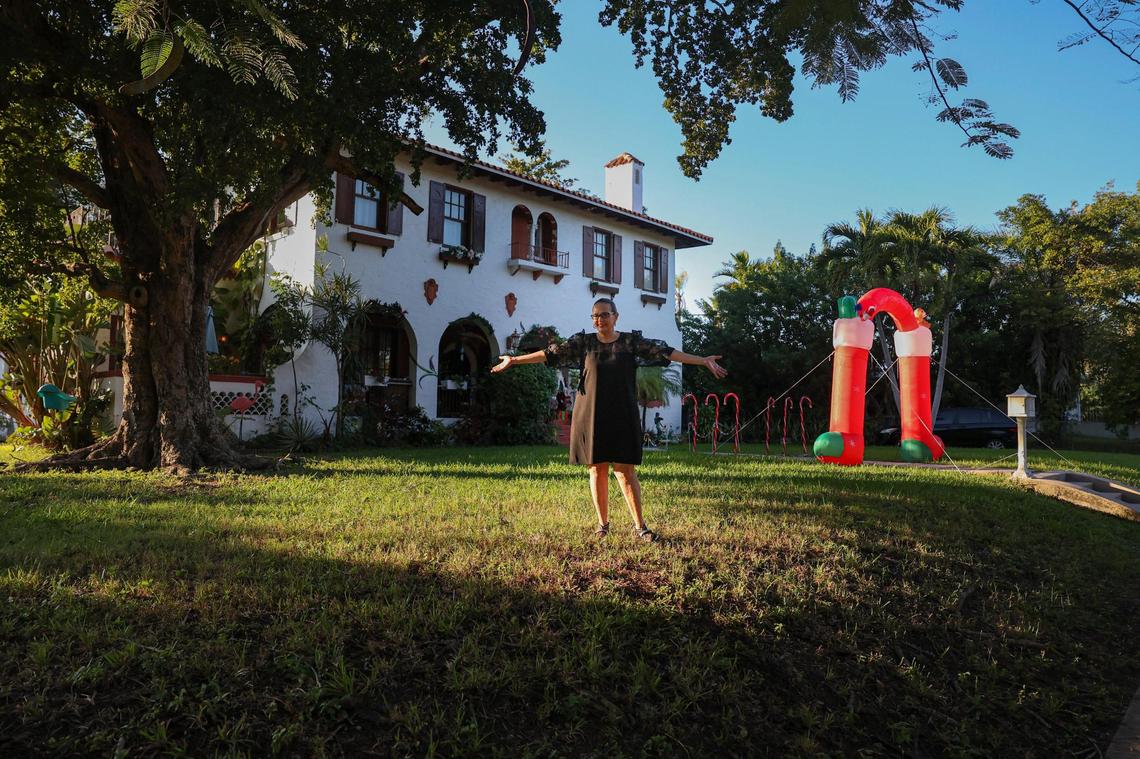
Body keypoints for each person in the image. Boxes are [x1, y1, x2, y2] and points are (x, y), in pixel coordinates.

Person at [492, 298, 727, 541]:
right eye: (595, 316)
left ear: (616, 316)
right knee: (597, 469)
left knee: (625, 470)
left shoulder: (630, 343)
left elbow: (667, 352)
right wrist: (515, 359)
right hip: (590, 412)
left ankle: (640, 527)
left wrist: (702, 360)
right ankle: (602, 525)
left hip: (622, 412)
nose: (599, 320)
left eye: (605, 315)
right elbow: (550, 354)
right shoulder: (584, 343)